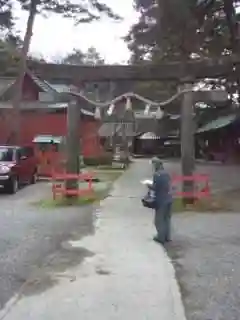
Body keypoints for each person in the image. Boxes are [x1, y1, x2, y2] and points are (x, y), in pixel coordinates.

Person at [151, 157, 173, 245]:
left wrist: (148, 185)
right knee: (167, 219)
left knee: (159, 220)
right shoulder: (167, 174)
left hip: (161, 200)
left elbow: (155, 187)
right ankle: (167, 237)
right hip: (169, 198)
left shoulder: (157, 175)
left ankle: (160, 237)